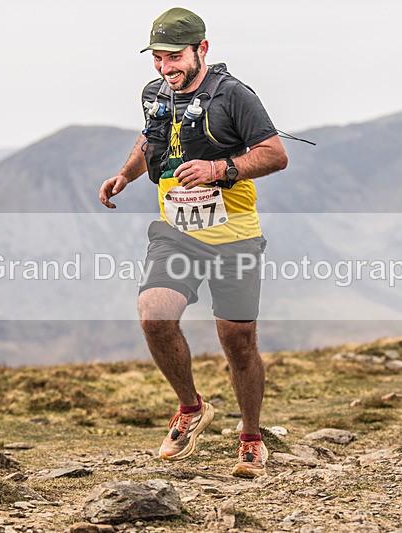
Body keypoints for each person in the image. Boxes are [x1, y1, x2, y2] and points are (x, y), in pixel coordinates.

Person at [98, 7, 287, 478]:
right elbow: (149, 142)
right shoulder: (155, 93)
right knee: (154, 314)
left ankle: (250, 438)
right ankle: (191, 408)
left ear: (202, 49)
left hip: (235, 236)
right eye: (158, 58)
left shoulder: (235, 96)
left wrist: (218, 169)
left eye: (174, 57)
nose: (166, 68)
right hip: (176, 234)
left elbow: (275, 154)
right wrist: (124, 175)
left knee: (237, 341)